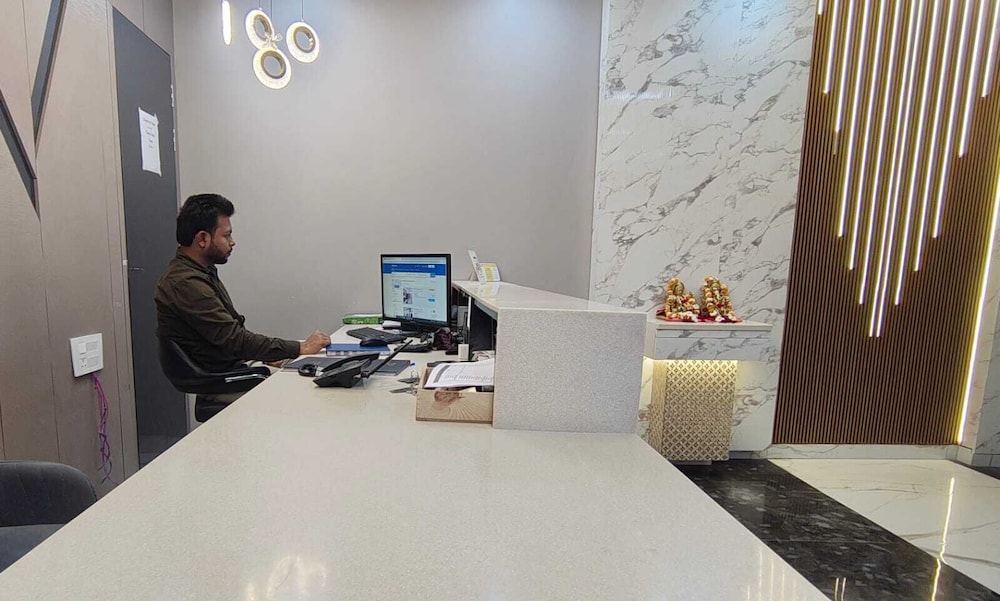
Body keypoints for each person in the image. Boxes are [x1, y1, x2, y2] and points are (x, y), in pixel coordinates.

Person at [155, 194, 330, 375]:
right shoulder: (185, 283)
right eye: (226, 235)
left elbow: (229, 338)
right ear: (202, 239)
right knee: (311, 382)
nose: (232, 242)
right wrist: (300, 348)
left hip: (235, 366)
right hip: (225, 378)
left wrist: (269, 356)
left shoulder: (201, 272)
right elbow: (235, 340)